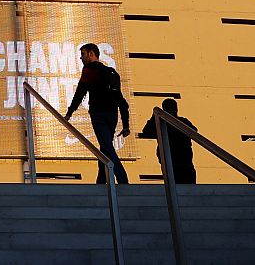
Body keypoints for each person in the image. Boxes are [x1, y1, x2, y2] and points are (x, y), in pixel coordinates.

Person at [65, 43, 130, 184]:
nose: (81, 58)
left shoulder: (89, 70)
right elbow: (121, 100)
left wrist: (69, 113)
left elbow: (80, 92)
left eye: (83, 54)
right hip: (113, 115)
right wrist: (125, 125)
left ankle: (122, 178)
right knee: (104, 147)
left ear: (91, 54)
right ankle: (101, 181)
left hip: (98, 114)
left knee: (106, 146)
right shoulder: (112, 72)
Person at [137, 97, 196, 184]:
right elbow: (194, 131)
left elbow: (147, 132)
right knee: (189, 186)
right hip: (185, 161)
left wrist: (154, 117)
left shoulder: (161, 122)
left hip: (170, 160)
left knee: (172, 183)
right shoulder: (183, 121)